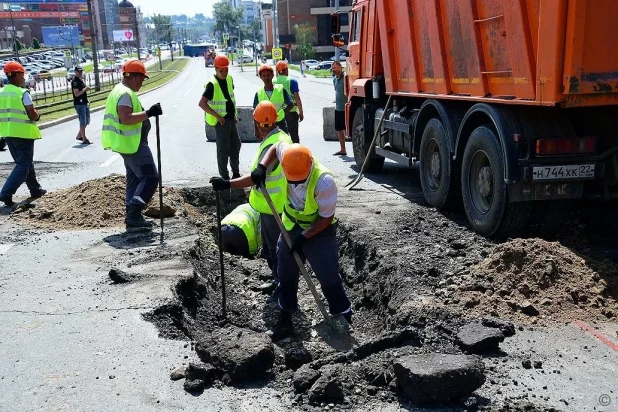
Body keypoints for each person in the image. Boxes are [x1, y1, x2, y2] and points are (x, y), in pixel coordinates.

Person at [250, 143, 352, 339]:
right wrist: (262, 167)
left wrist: (304, 237)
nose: (296, 185)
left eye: (301, 180)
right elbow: (274, 148)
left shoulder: (325, 182)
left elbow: (325, 219)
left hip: (319, 229)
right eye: (292, 181)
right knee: (285, 273)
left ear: (310, 165)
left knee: (328, 275)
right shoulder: (289, 155)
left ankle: (344, 320)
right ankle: (285, 320)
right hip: (290, 225)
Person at [210, 101, 293, 302]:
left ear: (256, 123)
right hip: (274, 205)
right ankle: (277, 281)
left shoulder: (272, 143)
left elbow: (256, 178)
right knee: (270, 247)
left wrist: (227, 183)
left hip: (273, 207)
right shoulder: (282, 137)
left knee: (276, 248)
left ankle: (283, 287)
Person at [101, 60, 163, 230]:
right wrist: (149, 113)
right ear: (136, 77)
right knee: (150, 178)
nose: (142, 83)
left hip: (126, 143)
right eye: (142, 79)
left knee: (135, 178)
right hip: (133, 144)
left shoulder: (118, 91)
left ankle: (131, 213)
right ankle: (134, 214)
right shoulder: (125, 94)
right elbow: (125, 118)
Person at [0, 62, 46, 207]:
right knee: (23, 165)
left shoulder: (1, 92)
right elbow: (32, 114)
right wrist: (37, 116)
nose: (24, 78)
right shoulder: (22, 93)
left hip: (8, 133)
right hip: (23, 134)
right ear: (18, 75)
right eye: (23, 75)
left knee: (25, 163)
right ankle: (6, 193)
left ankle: (35, 189)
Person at [199, 55, 241, 180]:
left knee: (236, 145)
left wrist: (233, 115)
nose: (224, 73)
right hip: (221, 121)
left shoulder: (229, 79)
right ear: (215, 69)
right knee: (223, 149)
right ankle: (224, 176)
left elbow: (229, 98)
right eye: (221, 71)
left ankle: (236, 173)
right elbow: (202, 103)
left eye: (226, 70)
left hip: (230, 119)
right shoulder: (212, 84)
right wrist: (218, 117)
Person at [253, 64, 293, 133]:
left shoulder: (280, 89)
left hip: (280, 123)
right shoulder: (259, 92)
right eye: (264, 76)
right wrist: (256, 129)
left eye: (268, 75)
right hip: (265, 126)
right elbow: (255, 113)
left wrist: (282, 113)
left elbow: (291, 104)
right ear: (261, 77)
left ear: (272, 75)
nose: (266, 78)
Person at [274, 61, 304, 143]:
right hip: (292, 112)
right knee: (294, 136)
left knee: (281, 137)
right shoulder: (292, 81)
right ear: (286, 70)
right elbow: (297, 98)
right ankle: (296, 153)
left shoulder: (273, 81)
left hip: (279, 114)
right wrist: (301, 112)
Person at [71, 66, 92, 145]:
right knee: (83, 121)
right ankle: (84, 138)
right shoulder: (75, 81)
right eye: (78, 71)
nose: (80, 73)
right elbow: (76, 94)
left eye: (81, 71)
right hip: (79, 104)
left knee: (87, 120)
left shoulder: (80, 80)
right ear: (75, 72)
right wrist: (85, 89)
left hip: (84, 102)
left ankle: (79, 135)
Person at [332, 61, 347, 156]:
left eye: (335, 68)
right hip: (338, 108)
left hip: (346, 108)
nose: (333, 70)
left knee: (349, 130)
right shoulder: (334, 79)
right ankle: (343, 150)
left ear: (340, 68)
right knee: (339, 129)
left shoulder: (346, 78)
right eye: (332, 68)